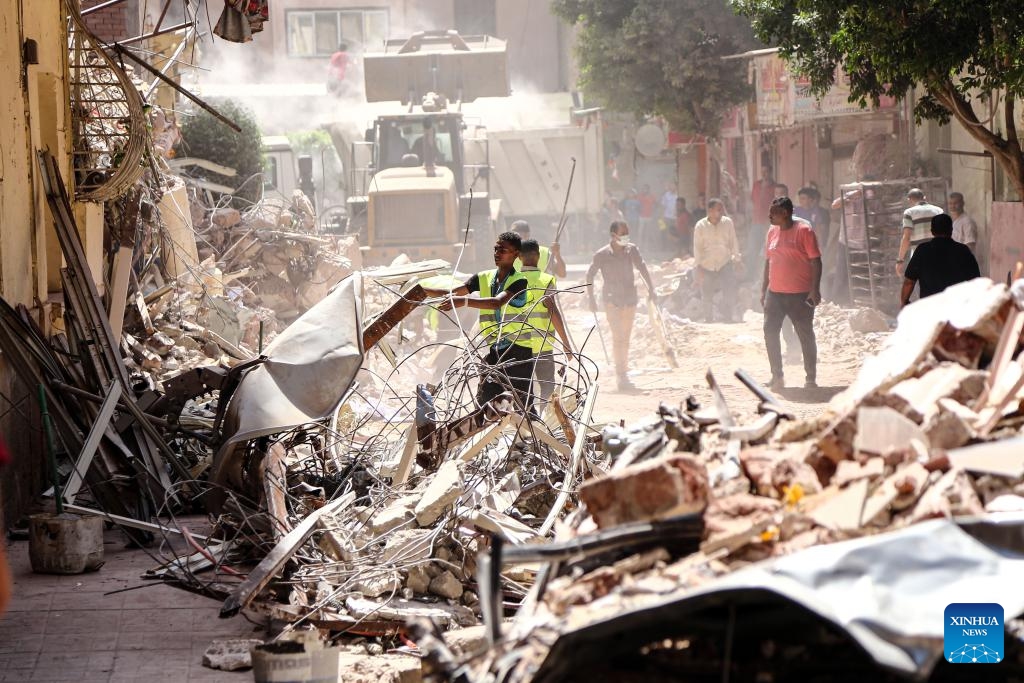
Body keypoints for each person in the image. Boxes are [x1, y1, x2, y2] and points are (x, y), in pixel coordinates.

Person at [421, 232, 534, 409]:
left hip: (517, 349)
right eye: (496, 249)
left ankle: (532, 434)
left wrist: (464, 301)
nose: (497, 253)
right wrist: (421, 291)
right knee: (484, 401)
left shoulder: (519, 281)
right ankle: (486, 434)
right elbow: (453, 293)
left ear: (516, 255)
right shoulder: (484, 277)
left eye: (503, 250)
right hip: (494, 349)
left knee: (523, 403)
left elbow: (497, 302)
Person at [586, 221, 657, 392]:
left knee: (625, 337)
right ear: (613, 235)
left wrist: (651, 289)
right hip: (611, 300)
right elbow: (590, 275)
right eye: (622, 233)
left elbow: (642, 267)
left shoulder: (631, 250)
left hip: (629, 299)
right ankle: (621, 375)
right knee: (618, 336)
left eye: (627, 232)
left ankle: (622, 370)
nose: (626, 236)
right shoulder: (602, 254)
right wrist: (591, 299)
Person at [761, 197, 822, 391]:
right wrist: (764, 288)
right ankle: (777, 375)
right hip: (775, 293)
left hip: (800, 294)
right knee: (770, 331)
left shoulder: (804, 231)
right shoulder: (772, 231)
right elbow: (768, 261)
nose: (769, 215)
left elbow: (816, 261)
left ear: (785, 213)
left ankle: (810, 378)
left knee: (805, 334)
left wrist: (815, 289)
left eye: (774, 212)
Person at [519, 239, 575, 403]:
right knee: (547, 390)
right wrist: (566, 343)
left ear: (519, 257)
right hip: (542, 346)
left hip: (517, 347)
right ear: (538, 256)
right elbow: (552, 311)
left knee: (523, 391)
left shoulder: (510, 280)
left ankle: (526, 423)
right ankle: (544, 424)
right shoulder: (545, 280)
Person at [901, 214, 981, 308]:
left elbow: (909, 282)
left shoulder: (922, 250)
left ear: (932, 231)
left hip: (930, 309)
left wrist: (904, 302)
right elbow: (976, 282)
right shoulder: (963, 251)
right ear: (951, 230)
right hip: (957, 309)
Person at [693, 198, 742, 323]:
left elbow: (733, 242)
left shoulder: (728, 223)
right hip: (707, 264)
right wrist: (698, 266)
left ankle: (728, 317)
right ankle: (708, 318)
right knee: (707, 292)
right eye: (718, 210)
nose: (721, 213)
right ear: (710, 211)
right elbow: (697, 247)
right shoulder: (700, 226)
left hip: (725, 262)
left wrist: (737, 260)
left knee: (729, 290)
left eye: (722, 210)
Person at [897, 188, 943, 276]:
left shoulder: (909, 213)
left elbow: (906, 238)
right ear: (924, 198)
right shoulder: (939, 211)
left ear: (909, 200)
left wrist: (900, 260)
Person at [746, 164, 776, 275]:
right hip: (755, 222)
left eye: (766, 171)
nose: (764, 174)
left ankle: (763, 275)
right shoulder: (756, 185)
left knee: (766, 251)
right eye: (762, 171)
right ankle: (750, 274)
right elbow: (752, 202)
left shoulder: (774, 187)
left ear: (771, 172)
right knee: (752, 249)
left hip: (767, 224)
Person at [795, 185, 831, 250]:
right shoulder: (797, 210)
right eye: (800, 198)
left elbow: (820, 231)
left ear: (811, 199)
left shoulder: (819, 212)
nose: (800, 201)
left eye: (803, 198)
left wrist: (821, 247)